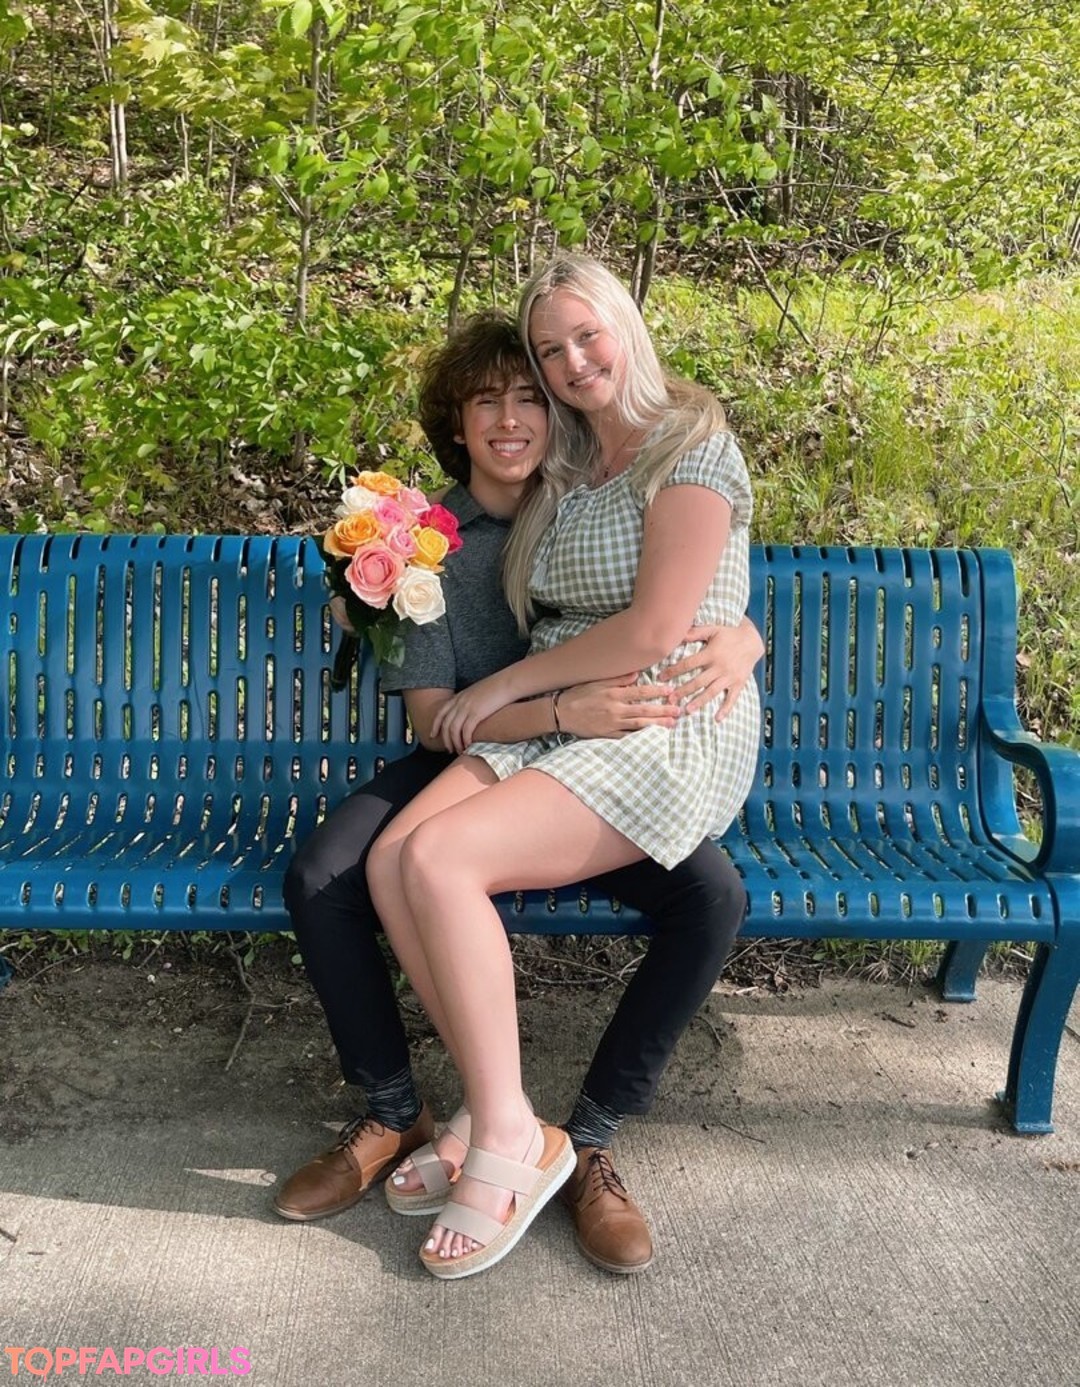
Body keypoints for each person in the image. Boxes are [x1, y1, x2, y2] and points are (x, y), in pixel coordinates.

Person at [275, 310, 761, 1279]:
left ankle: (589, 1141)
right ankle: (410, 1114)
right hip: (490, 745)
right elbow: (437, 720)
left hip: (600, 753)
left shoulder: (587, 490)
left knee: (713, 894)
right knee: (334, 873)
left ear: (557, 411)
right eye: (484, 402)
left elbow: (686, 586)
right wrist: (562, 706)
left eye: (527, 397)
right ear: (454, 424)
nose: (509, 420)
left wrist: (746, 637)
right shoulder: (418, 544)